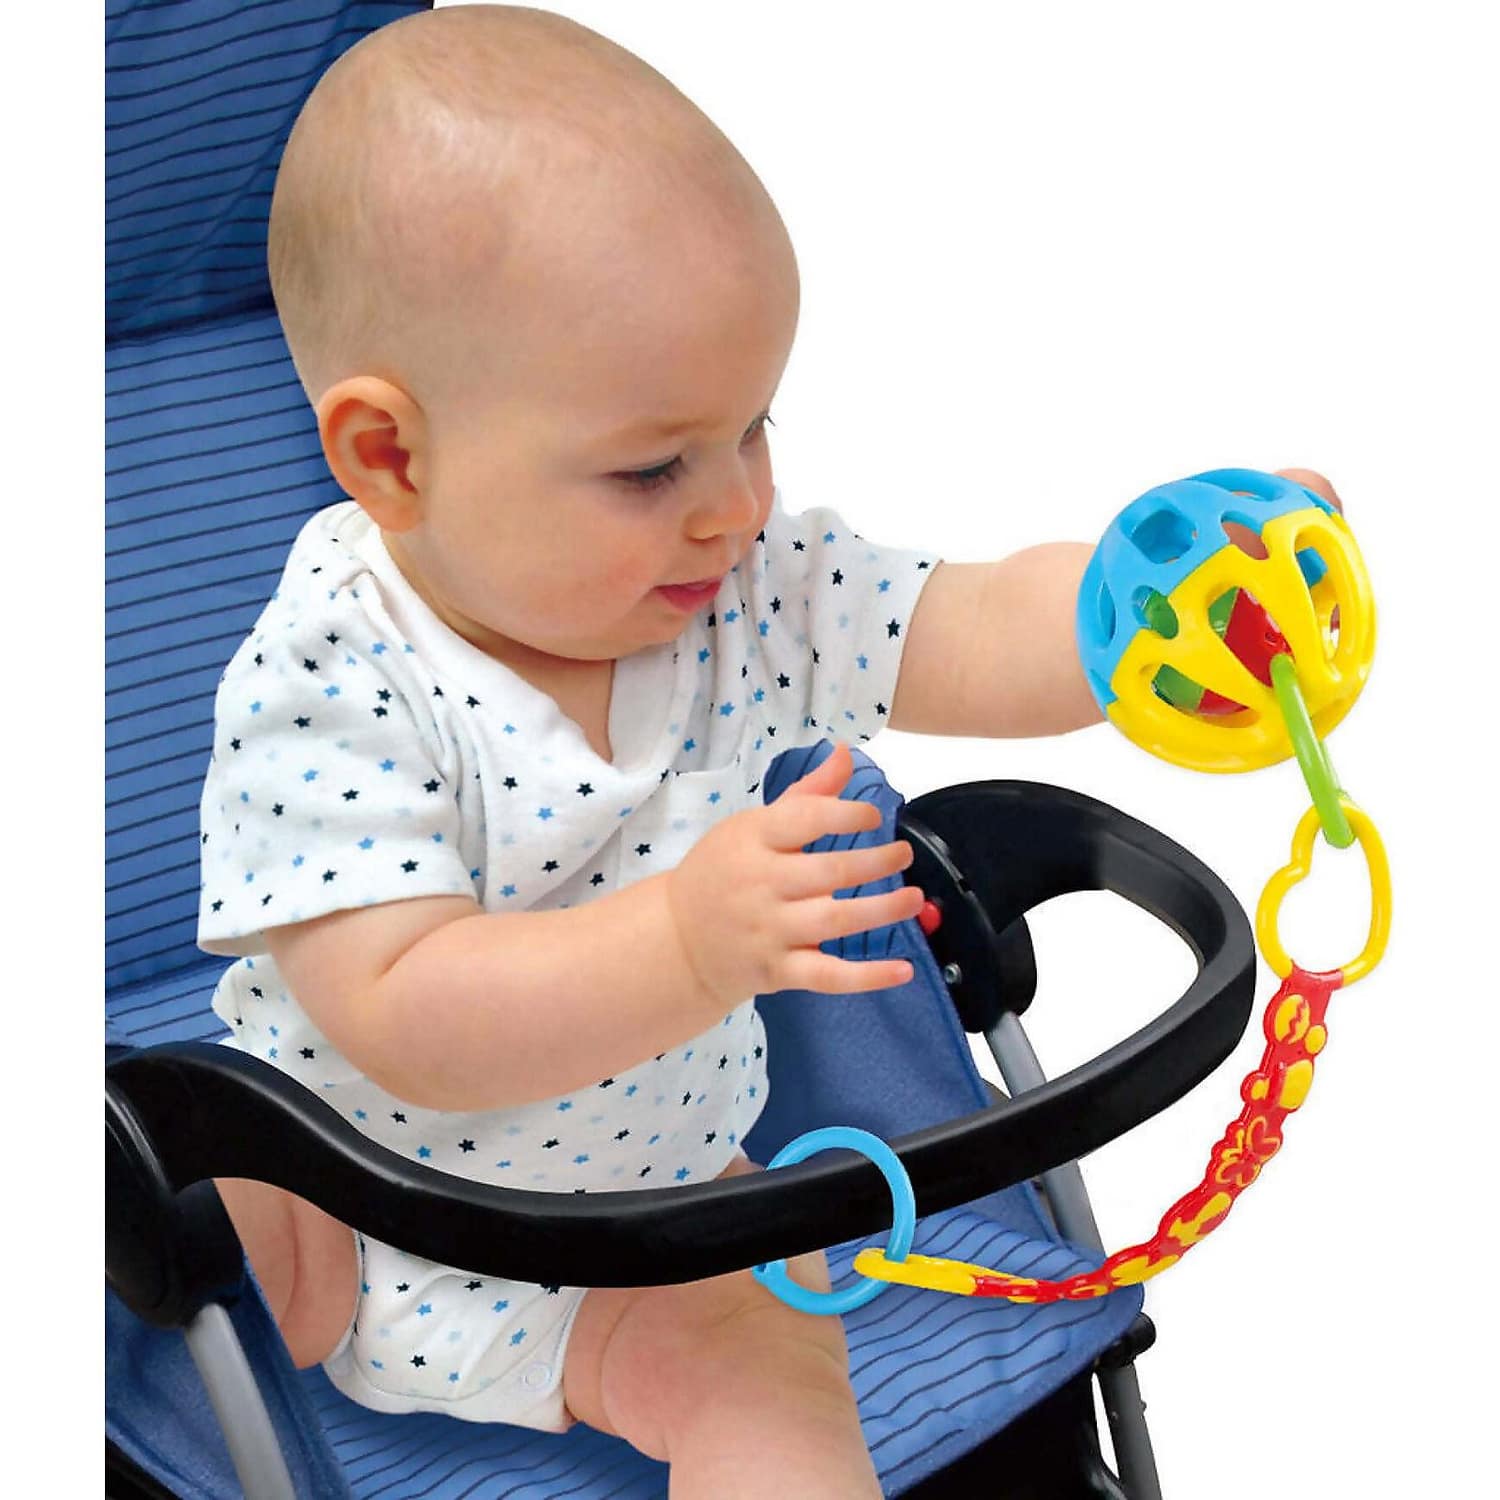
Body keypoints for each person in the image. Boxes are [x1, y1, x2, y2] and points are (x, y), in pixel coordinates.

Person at [198, 7, 1339, 1495]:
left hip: (649, 1217)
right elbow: (400, 1011)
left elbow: (961, 622)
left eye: (754, 427)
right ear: (390, 459)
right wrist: (684, 942)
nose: (734, 502)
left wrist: (1148, 608)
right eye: (654, 465)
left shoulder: (741, 586)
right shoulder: (330, 677)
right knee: (154, 1205)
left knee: (776, 1382)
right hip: (340, 1198)